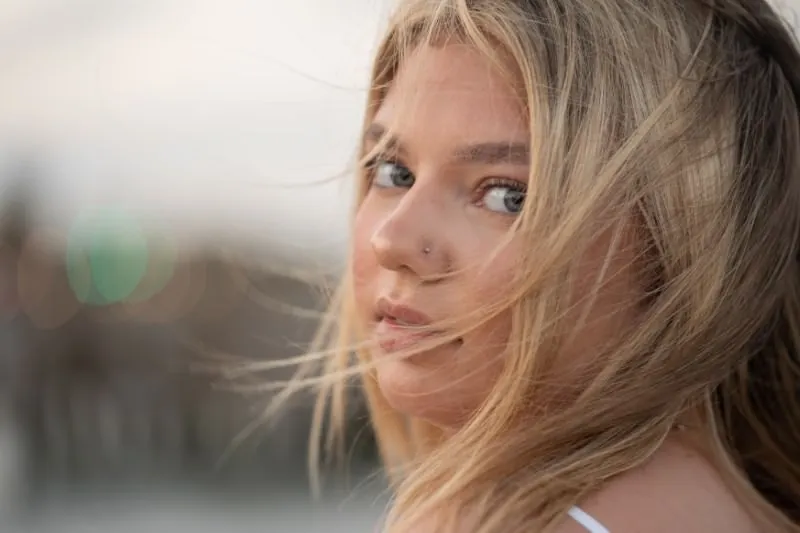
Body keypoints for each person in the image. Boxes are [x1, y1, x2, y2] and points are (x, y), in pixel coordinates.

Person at [282, 0, 800, 531]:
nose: (393, 240)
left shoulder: (492, 520)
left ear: (680, 245)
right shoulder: (743, 508)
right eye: (394, 172)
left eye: (507, 195)